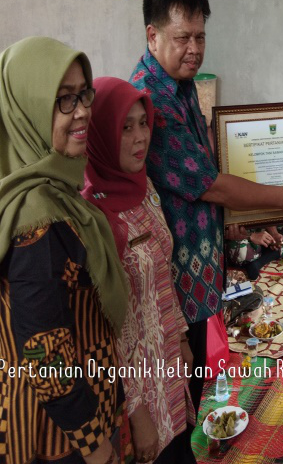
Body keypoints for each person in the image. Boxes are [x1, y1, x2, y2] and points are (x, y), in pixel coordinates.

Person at [129, 0, 283, 413]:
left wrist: (261, 208)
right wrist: (279, 198)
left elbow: (214, 163)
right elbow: (208, 183)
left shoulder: (183, 87)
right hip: (174, 278)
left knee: (193, 385)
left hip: (199, 267)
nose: (194, 48)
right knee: (178, 395)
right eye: (182, 38)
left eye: (201, 37)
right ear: (152, 36)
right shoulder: (152, 102)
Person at [0, 37, 129, 464]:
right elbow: (44, 355)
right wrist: (96, 446)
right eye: (63, 100)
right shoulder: (34, 217)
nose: (83, 111)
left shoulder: (60, 193)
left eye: (83, 94)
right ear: (28, 112)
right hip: (58, 440)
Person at [83, 77, 196, 464]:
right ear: (100, 134)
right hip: (139, 394)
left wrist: (181, 337)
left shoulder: (144, 187)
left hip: (169, 365)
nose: (139, 137)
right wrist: (138, 412)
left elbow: (162, 271)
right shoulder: (94, 216)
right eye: (125, 127)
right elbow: (106, 328)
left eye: (142, 122)